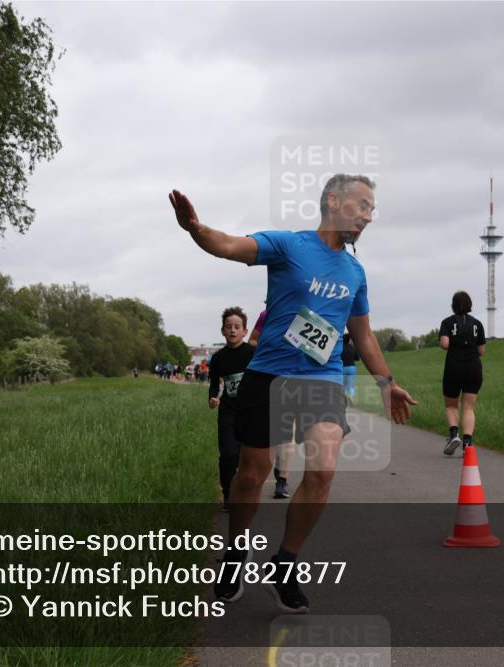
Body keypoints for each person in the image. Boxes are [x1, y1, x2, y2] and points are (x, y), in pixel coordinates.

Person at [169, 173, 417, 613]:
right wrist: (195, 229)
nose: (368, 216)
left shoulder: (355, 272)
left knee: (322, 469)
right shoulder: (290, 246)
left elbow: (363, 335)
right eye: (362, 205)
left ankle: (284, 565)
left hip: (320, 382)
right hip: (268, 375)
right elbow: (229, 245)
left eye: (372, 210)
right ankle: (234, 554)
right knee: (252, 473)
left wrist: (387, 382)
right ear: (334, 201)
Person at [208, 307, 255, 512]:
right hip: (228, 410)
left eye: (237, 327)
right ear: (223, 331)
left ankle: (246, 493)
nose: (233, 331)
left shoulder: (253, 354)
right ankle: (227, 493)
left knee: (247, 456)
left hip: (251, 411)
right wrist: (211, 397)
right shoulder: (218, 358)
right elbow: (214, 384)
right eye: (229, 327)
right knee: (228, 454)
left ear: (245, 331)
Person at [249, 301, 294, 500]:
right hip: (266, 377)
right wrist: (269, 347)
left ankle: (281, 480)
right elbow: (252, 341)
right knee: (265, 431)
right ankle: (254, 475)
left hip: (292, 379)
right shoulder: (265, 315)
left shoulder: (304, 316)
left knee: (286, 433)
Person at [439, 291, 486, 456]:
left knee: (451, 405)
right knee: (468, 407)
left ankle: (453, 435)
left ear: (453, 305)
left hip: (454, 366)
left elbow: (445, 344)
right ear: (470, 305)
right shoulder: (477, 324)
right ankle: (467, 442)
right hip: (474, 368)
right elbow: (482, 350)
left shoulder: (447, 322)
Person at [341, 331, 359, 403]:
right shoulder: (352, 348)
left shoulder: (340, 348)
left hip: (342, 368)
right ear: (349, 340)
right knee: (351, 385)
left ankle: (344, 397)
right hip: (352, 368)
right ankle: (351, 396)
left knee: (343, 384)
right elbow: (357, 358)